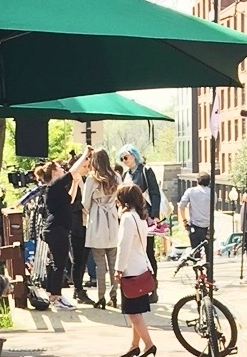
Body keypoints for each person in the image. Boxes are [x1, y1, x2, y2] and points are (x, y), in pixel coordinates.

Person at [34, 146, 94, 311]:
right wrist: (86, 154)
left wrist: (75, 182)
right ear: (54, 171)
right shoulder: (55, 185)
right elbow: (73, 171)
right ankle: (56, 296)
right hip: (57, 229)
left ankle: (54, 294)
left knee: (56, 263)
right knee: (59, 264)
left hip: (56, 229)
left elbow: (70, 198)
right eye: (60, 168)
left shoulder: (56, 189)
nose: (63, 169)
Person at [115, 184, 156, 357]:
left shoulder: (127, 218)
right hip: (142, 267)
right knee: (136, 310)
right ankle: (134, 345)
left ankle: (149, 344)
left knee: (133, 313)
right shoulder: (140, 217)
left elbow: (123, 246)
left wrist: (118, 269)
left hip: (131, 270)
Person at [118, 144, 161, 303]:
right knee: (133, 251)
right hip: (131, 215)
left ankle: (153, 287)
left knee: (148, 251)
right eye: (121, 159)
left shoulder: (146, 171)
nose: (124, 161)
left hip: (145, 214)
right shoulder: (125, 174)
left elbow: (155, 192)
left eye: (126, 157)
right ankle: (140, 286)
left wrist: (154, 215)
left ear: (134, 155)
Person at [82, 148, 121, 309]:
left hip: (97, 220)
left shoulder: (92, 179)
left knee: (100, 264)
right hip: (112, 218)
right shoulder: (116, 177)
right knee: (114, 263)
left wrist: (91, 211)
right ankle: (114, 294)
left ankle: (100, 297)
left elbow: (85, 202)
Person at [67, 153, 95, 305]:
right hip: (77, 224)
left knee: (83, 259)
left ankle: (78, 288)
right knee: (78, 260)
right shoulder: (72, 181)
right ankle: (78, 289)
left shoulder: (86, 179)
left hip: (87, 223)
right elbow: (70, 204)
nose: (86, 168)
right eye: (84, 166)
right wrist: (85, 204)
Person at [179, 172, 212, 256]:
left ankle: (197, 266)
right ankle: (208, 268)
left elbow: (181, 206)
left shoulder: (191, 191)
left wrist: (184, 220)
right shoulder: (212, 193)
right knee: (209, 253)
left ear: (197, 181)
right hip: (208, 227)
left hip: (195, 226)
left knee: (195, 252)